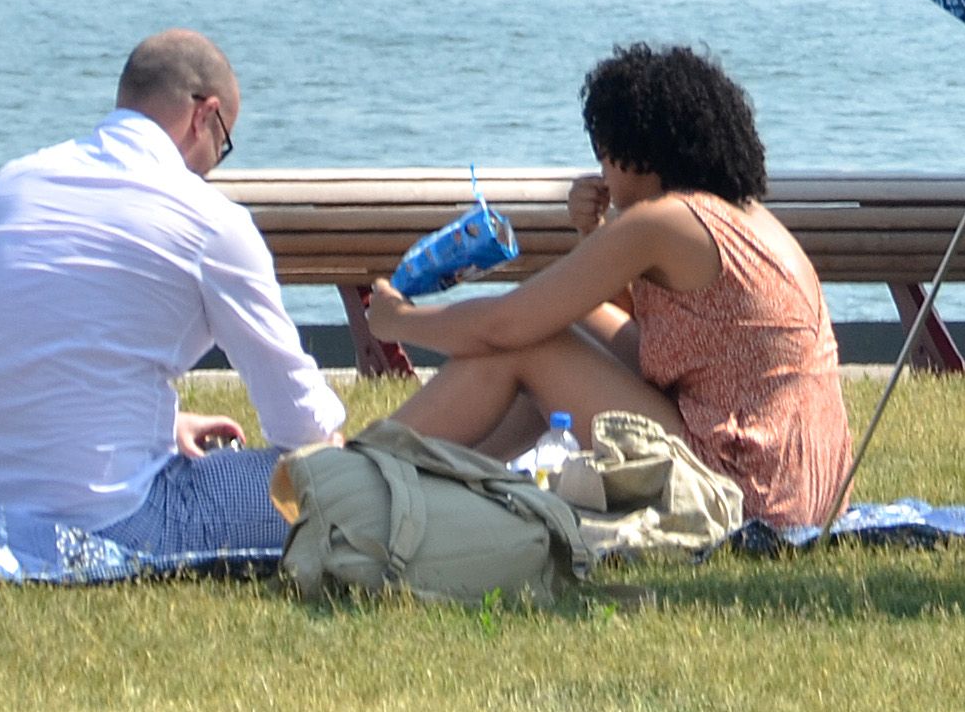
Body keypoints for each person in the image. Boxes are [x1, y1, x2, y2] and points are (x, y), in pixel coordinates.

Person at [348, 40, 852, 532]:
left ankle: (355, 478)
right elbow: (660, 338)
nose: (602, 174)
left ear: (638, 154)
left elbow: (507, 324)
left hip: (745, 485)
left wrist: (398, 321)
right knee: (567, 322)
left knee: (530, 344)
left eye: (606, 156)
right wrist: (594, 236)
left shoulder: (660, 222)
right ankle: (419, 476)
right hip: (803, 482)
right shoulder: (738, 216)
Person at [0, 28, 344, 558]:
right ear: (205, 115)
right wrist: (336, 453)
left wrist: (162, 425)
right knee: (334, 485)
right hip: (111, 520)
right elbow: (302, 423)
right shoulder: (209, 222)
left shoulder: (10, 186)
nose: (214, 163)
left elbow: (41, 346)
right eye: (223, 144)